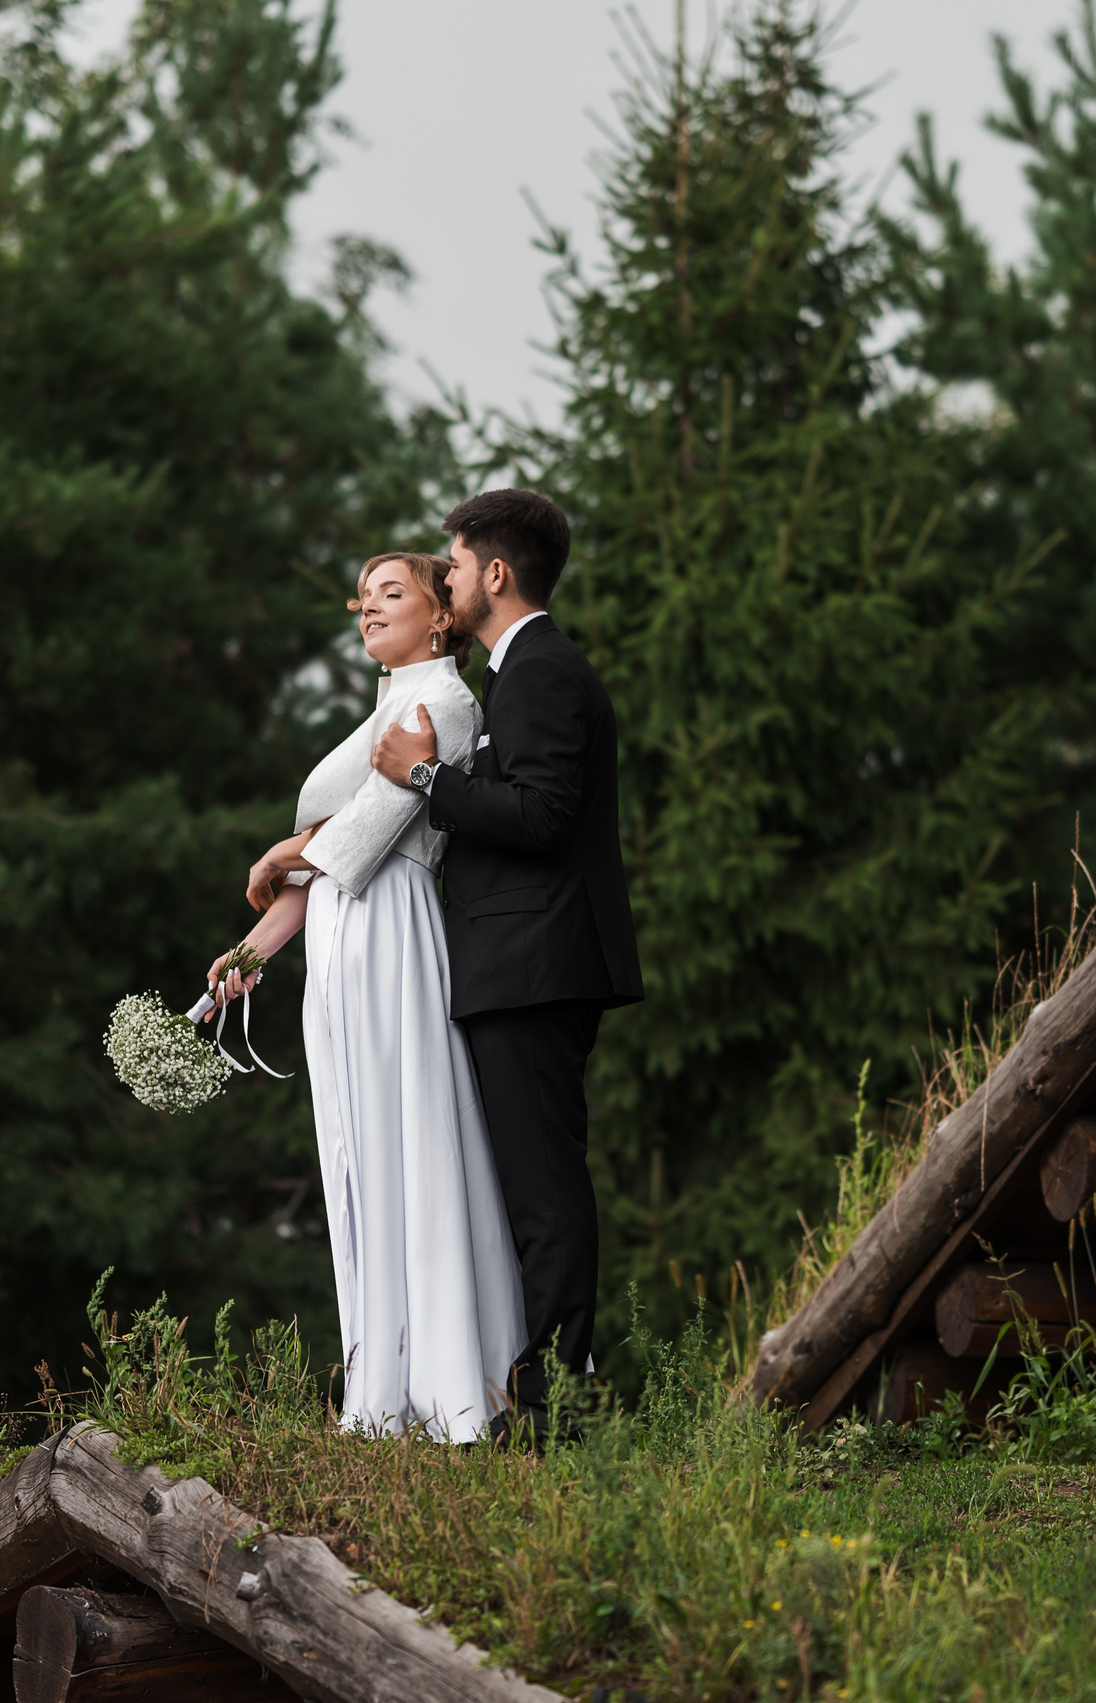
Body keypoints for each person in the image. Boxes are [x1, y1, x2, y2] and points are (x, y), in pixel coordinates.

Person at [209, 553, 525, 1443]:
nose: (369, 610)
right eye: (363, 599)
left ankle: (449, 1383)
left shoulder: (448, 703)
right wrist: (251, 950)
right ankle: (377, 1378)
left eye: (394, 593)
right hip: (347, 931)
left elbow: (369, 838)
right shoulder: (386, 706)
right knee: (355, 1143)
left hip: (391, 931)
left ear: (440, 619)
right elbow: (332, 856)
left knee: (405, 1132)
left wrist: (283, 850)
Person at [370, 489, 644, 1437]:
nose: (443, 579)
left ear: (495, 572)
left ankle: (555, 1395)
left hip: (537, 963)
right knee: (529, 1178)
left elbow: (541, 816)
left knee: (542, 1182)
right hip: (521, 963)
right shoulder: (516, 676)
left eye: (450, 563)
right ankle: (538, 1376)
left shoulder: (541, 673)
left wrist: (425, 778)